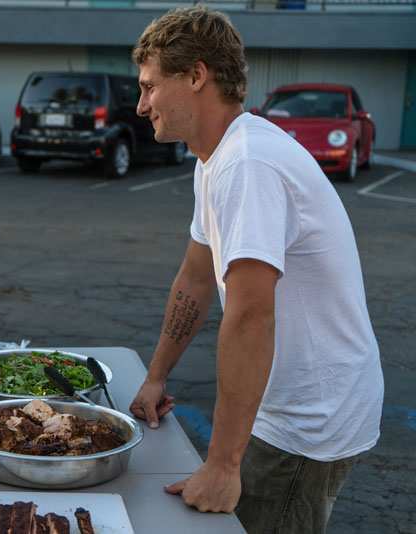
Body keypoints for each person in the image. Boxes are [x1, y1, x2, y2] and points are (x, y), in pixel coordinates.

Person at [127, 7, 383, 533]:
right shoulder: (215, 157)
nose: (141, 104)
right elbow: (196, 279)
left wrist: (222, 465)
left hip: (306, 423)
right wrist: (156, 376)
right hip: (285, 408)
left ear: (197, 76)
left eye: (151, 87)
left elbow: (249, 315)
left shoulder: (249, 162)